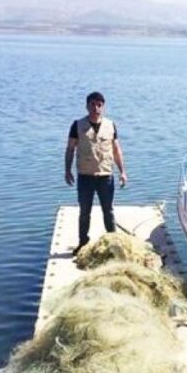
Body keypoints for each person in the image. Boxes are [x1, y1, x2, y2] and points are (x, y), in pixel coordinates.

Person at [64, 91, 128, 252]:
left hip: (105, 176)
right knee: (85, 212)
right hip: (85, 177)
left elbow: (116, 150)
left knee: (108, 211)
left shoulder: (110, 125)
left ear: (103, 107)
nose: (96, 108)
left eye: (99, 105)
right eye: (92, 104)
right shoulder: (77, 125)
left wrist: (123, 172)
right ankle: (83, 242)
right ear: (87, 106)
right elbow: (70, 149)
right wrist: (67, 170)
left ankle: (113, 244)